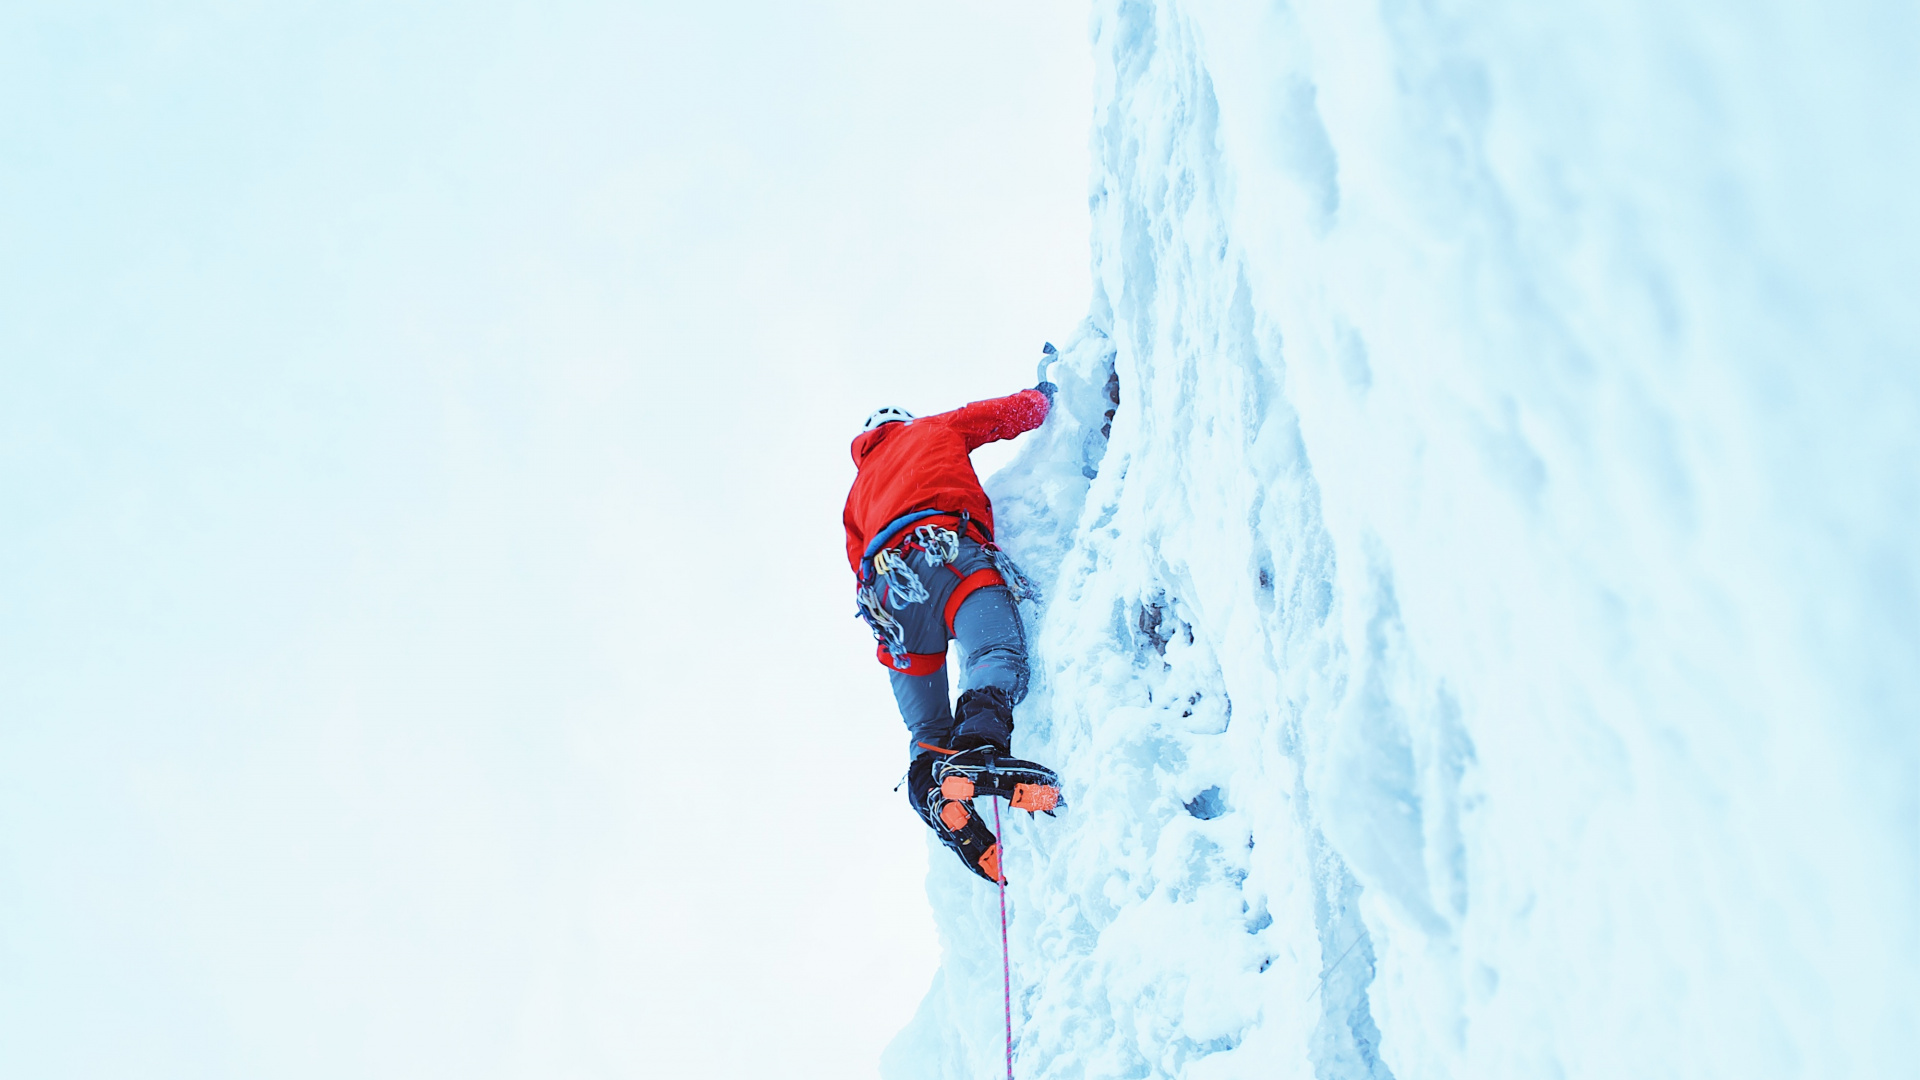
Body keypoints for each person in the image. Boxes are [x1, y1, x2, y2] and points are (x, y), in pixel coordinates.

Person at [844, 375, 1063, 883]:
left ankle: (936, 795)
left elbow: (856, 562)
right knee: (994, 656)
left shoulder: (856, 497)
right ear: (902, 422)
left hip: (890, 597)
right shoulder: (932, 428)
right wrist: (1044, 399)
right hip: (946, 554)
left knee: (926, 730)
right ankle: (978, 754)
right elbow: (1000, 416)